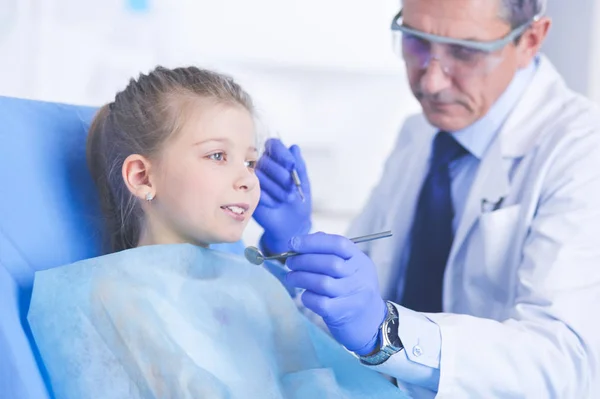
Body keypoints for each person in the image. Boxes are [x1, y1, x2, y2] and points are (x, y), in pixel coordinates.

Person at [254, 0, 600, 396]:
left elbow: (565, 362)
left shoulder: (583, 152)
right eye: (416, 41)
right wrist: (292, 248)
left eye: (465, 51)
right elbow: (343, 320)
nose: (431, 81)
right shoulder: (418, 135)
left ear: (530, 40)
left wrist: (386, 331)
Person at [27, 66, 407, 399]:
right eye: (217, 156)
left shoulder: (254, 287)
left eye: (250, 160)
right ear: (142, 176)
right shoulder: (111, 295)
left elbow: (314, 379)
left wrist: (291, 241)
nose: (246, 178)